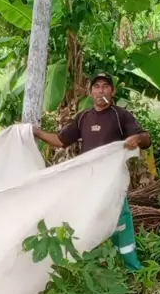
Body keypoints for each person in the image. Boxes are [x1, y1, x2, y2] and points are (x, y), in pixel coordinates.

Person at [32, 72, 151, 271]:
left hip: (112, 181)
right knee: (88, 217)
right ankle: (89, 264)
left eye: (105, 86)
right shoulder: (83, 117)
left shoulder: (120, 115)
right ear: (90, 92)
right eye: (96, 87)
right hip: (88, 180)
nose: (101, 90)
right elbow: (60, 140)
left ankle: (132, 267)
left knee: (120, 220)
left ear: (112, 91)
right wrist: (35, 132)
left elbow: (146, 139)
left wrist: (137, 139)